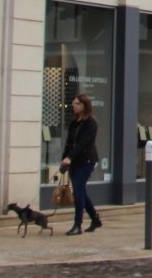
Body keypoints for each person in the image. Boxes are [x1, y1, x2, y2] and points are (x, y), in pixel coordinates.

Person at [60, 94, 103, 236]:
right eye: (73, 103)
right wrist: (64, 159)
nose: (74, 106)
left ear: (84, 105)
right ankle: (95, 219)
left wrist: (70, 157)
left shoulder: (91, 122)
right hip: (74, 162)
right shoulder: (74, 122)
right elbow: (69, 143)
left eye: (77, 103)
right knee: (80, 191)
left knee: (78, 191)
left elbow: (83, 143)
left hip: (86, 161)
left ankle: (77, 225)